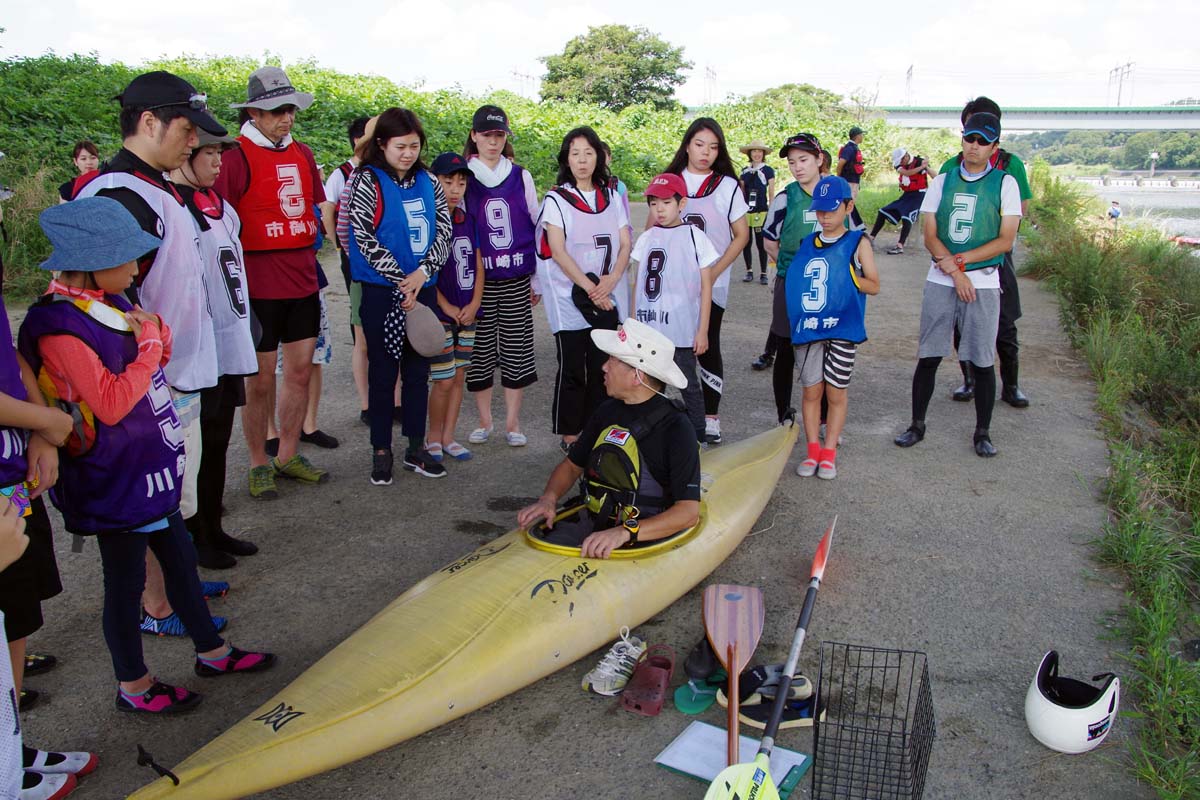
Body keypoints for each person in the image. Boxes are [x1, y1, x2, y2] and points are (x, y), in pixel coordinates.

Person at [18, 197, 277, 715]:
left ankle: (213, 652)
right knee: (124, 583)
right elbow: (111, 404)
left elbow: (153, 351)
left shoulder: (107, 303)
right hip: (112, 478)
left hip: (146, 469)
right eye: (128, 259)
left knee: (181, 560)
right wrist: (150, 347)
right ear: (93, 265)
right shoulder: (58, 325)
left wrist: (154, 339)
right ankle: (133, 687)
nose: (137, 267)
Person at [72, 70, 228, 640]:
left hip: (177, 370)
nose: (194, 143)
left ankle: (175, 584)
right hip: (147, 378)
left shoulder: (154, 185)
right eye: (186, 130)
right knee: (152, 500)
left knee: (172, 493)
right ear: (148, 122)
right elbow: (109, 295)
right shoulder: (118, 192)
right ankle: (156, 603)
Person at [213, 66, 329, 499]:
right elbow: (219, 219)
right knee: (259, 380)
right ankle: (258, 460)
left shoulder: (301, 153)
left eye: (290, 109)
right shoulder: (234, 156)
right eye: (276, 110)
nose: (286, 118)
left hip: (302, 279)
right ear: (253, 113)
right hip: (258, 285)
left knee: (299, 372)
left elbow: (316, 210)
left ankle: (289, 452)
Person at [516, 318, 700, 560]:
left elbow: (688, 512)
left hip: (644, 532)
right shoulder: (607, 410)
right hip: (595, 521)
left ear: (637, 376)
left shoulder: (677, 427)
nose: (604, 367)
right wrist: (548, 499)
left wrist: (625, 532)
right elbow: (572, 466)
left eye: (612, 361)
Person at [894, 112, 1022, 457]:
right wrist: (954, 272)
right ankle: (916, 424)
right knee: (929, 354)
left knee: (982, 359)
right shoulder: (943, 181)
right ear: (962, 140)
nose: (974, 147)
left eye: (982, 141)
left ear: (994, 146)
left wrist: (961, 265)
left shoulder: (1004, 183)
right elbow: (930, 234)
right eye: (969, 139)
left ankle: (982, 432)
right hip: (942, 278)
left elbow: (1006, 240)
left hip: (982, 282)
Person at [169, 130, 259, 570]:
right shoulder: (174, 206)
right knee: (196, 444)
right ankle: (195, 536)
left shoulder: (221, 207)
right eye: (210, 153)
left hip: (228, 340)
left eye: (221, 154)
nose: (218, 162)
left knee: (220, 438)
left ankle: (213, 525)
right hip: (196, 348)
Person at [346, 109, 452, 485]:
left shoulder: (428, 181)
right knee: (382, 372)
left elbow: (444, 229)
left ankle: (415, 446)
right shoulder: (365, 180)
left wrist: (421, 274)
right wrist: (400, 281)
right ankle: (380, 449)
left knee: (418, 371)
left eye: (414, 145)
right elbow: (363, 237)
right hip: (381, 291)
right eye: (399, 146)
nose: (408, 153)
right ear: (381, 145)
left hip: (422, 287)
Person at [535, 127, 631, 451]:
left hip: (604, 291)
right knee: (573, 367)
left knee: (602, 365)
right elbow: (558, 251)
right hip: (569, 296)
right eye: (575, 153)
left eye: (588, 152)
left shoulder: (612, 196)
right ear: (566, 158)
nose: (582, 160)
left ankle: (598, 429)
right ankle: (570, 434)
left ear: (599, 157)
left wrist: (613, 278)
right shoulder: (556, 201)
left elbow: (625, 241)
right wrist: (593, 288)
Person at [939, 96, 1034, 408]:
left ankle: (1011, 385)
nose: (976, 138)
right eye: (971, 128)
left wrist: (990, 246)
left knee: (1005, 322)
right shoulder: (951, 167)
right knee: (960, 320)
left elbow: (1019, 211)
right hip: (956, 260)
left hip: (996, 258)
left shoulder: (1012, 166)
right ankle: (969, 379)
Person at [785, 176, 879, 480]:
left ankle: (828, 453)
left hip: (842, 329)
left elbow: (874, 285)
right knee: (811, 391)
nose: (825, 217)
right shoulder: (806, 243)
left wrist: (851, 278)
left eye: (832, 210)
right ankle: (812, 451)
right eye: (820, 211)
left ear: (848, 207)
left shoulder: (858, 242)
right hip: (811, 329)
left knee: (836, 392)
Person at [662, 118, 749, 445]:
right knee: (670, 345)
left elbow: (740, 236)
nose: (706, 153)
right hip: (674, 284)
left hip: (714, 282)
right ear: (687, 145)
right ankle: (667, 409)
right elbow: (657, 227)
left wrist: (713, 272)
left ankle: (710, 417)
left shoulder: (728, 187)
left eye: (713, 147)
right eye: (699, 144)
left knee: (707, 344)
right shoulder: (671, 181)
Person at [463, 105, 539, 448]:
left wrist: (536, 278)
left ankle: (512, 421)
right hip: (477, 279)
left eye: (499, 135)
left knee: (516, 346)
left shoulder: (520, 175)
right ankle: (484, 420)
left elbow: (536, 226)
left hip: (515, 273)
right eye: (487, 135)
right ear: (474, 136)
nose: (493, 142)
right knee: (479, 348)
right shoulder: (462, 175)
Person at [631, 174, 719, 442]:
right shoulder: (647, 237)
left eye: (666, 202)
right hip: (650, 329)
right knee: (649, 385)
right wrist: (633, 323)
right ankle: (652, 436)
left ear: (682, 204)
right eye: (654, 202)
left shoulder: (695, 236)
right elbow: (638, 284)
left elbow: (706, 287)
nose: (659, 208)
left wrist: (702, 330)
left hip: (680, 329)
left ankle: (698, 436)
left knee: (687, 385)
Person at [753, 133, 826, 424]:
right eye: (793, 162)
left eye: (804, 160)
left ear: (819, 160)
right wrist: (793, 267)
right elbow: (770, 240)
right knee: (785, 347)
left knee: (824, 349)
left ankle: (823, 416)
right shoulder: (785, 197)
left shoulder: (837, 193)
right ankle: (784, 413)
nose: (798, 167)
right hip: (790, 282)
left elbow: (855, 235)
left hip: (826, 287)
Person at [427, 152, 483, 462]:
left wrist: (475, 302)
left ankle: (449, 436)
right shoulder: (429, 221)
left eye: (460, 183)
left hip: (468, 310)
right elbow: (423, 271)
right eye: (448, 181)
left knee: (460, 375)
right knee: (443, 378)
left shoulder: (468, 219)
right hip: (440, 312)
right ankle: (432, 437)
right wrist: (445, 305)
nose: (455, 188)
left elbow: (478, 264)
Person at [325, 117, 371, 420]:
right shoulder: (342, 174)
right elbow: (328, 208)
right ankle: (367, 402)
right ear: (357, 139)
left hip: (378, 263)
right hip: (355, 258)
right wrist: (339, 245)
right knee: (361, 325)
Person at [868, 148, 933, 255]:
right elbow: (906, 173)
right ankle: (871, 237)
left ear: (906, 156)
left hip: (919, 195)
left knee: (907, 216)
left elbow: (934, 175)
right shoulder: (901, 166)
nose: (901, 163)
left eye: (902, 160)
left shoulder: (919, 161)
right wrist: (921, 167)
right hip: (907, 195)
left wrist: (926, 167)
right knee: (883, 211)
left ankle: (900, 245)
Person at [738, 140, 776, 285]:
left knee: (761, 243)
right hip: (747, 212)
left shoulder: (768, 171)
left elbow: (771, 193)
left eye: (760, 151)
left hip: (762, 211)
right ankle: (749, 271)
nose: (757, 154)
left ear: (764, 154)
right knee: (746, 242)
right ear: (749, 153)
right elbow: (741, 193)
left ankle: (763, 273)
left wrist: (771, 211)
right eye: (754, 151)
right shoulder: (744, 171)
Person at [835, 126, 866, 230]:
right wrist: (839, 178)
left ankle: (850, 226)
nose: (862, 137)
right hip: (848, 181)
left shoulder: (854, 148)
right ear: (857, 136)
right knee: (848, 204)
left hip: (853, 180)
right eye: (861, 134)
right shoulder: (849, 149)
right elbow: (840, 164)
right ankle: (848, 227)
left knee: (850, 204)